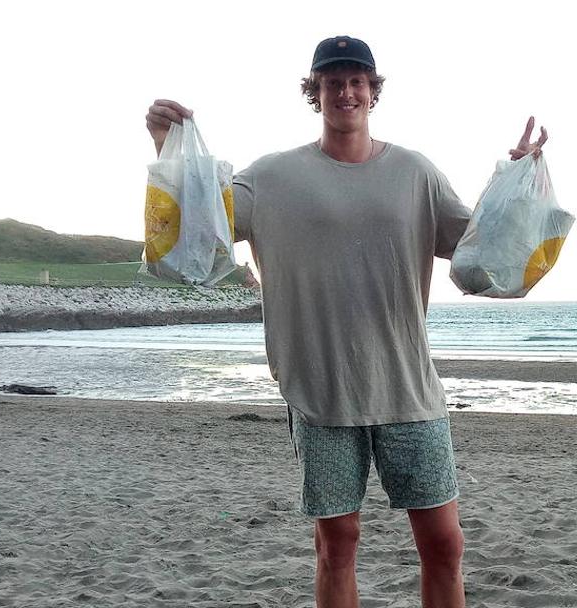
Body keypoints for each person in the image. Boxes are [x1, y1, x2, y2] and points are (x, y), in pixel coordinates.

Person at [145, 35, 547, 608]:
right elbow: (197, 236)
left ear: (372, 91)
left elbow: (478, 251)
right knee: (338, 546)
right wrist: (170, 149)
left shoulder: (416, 172)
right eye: (333, 81)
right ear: (316, 91)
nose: (346, 91)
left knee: (445, 544)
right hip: (320, 394)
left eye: (357, 80)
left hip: (409, 391)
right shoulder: (272, 176)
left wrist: (514, 182)